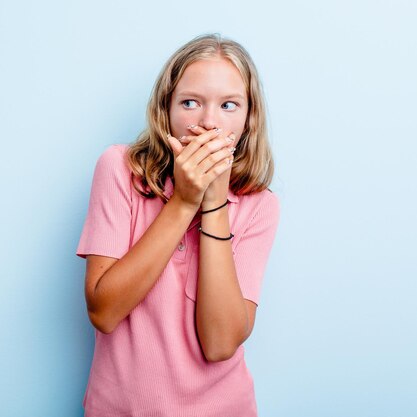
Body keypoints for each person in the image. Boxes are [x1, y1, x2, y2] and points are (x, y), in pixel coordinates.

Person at [76, 33, 280, 417]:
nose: (208, 122)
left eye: (229, 105)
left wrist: (213, 201)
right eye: (190, 102)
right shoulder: (119, 171)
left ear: (249, 119)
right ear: (165, 109)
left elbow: (220, 345)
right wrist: (185, 201)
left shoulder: (260, 206)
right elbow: (103, 313)